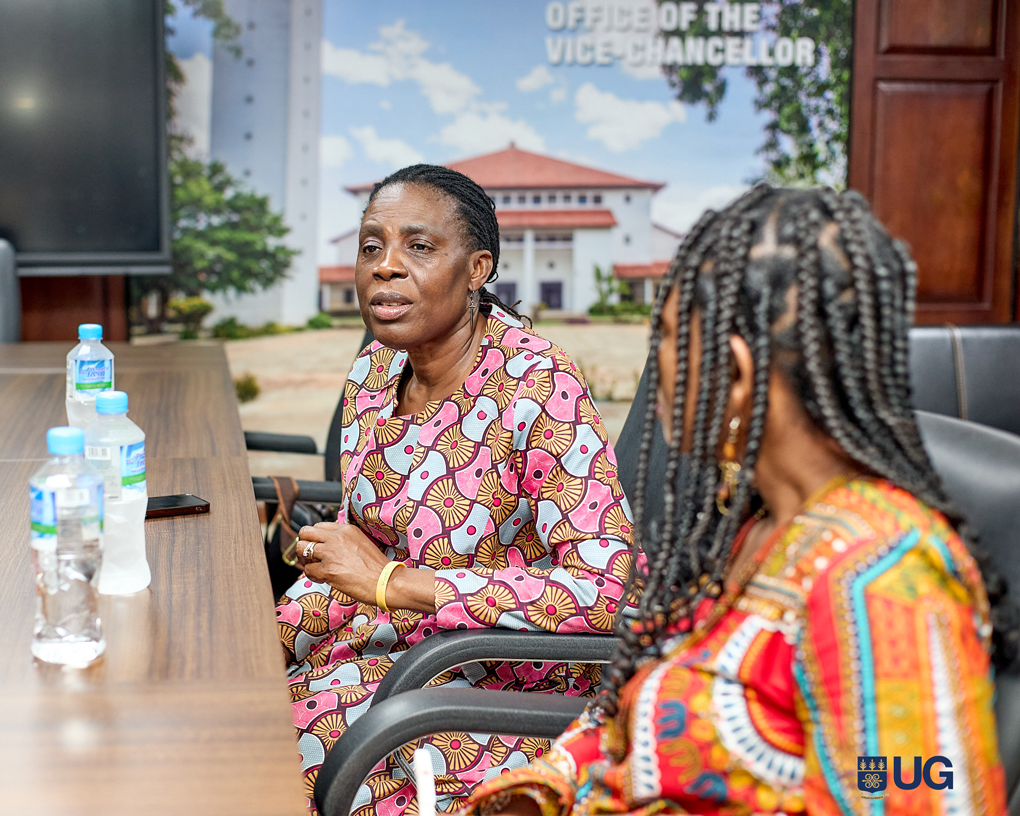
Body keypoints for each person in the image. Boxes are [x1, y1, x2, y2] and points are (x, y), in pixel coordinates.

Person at [458, 186, 1012, 815]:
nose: (655, 365)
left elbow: (914, 800)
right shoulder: (747, 528)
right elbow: (633, 706)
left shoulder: (880, 581)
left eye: (667, 339)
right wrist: (543, 788)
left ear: (737, 374)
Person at [275, 165, 637, 814]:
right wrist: (275, 631)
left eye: (418, 246)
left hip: (499, 687)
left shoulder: (538, 386)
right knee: (230, 709)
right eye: (370, 246)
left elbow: (608, 590)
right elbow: (360, 548)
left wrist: (396, 585)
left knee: (274, 764)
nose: (384, 267)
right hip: (384, 649)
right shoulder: (375, 370)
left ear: (477, 270)